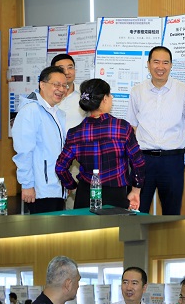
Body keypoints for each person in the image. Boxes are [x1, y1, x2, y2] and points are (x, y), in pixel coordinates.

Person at [126, 46, 185, 215]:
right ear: (148, 64)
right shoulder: (137, 91)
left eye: (165, 62)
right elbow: (132, 124)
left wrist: (180, 142)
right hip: (143, 161)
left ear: (171, 65)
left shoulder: (183, 90)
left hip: (172, 161)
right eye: (156, 62)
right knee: (137, 211)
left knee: (171, 213)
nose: (161, 67)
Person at [56, 78, 145, 210]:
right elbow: (138, 162)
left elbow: (60, 167)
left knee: (85, 224)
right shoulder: (122, 127)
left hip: (86, 194)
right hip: (116, 195)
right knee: (115, 224)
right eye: (109, 95)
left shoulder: (75, 133)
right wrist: (136, 190)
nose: (111, 97)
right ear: (104, 99)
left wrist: (72, 186)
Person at [12, 66, 67, 213]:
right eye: (56, 84)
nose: (61, 89)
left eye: (64, 85)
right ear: (42, 84)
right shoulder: (30, 111)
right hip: (40, 190)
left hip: (56, 188)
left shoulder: (57, 113)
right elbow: (24, 152)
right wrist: (27, 185)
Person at [51, 54, 88, 210]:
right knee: (53, 204)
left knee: (74, 204)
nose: (67, 72)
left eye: (70, 67)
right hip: (51, 156)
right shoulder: (47, 97)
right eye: (61, 68)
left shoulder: (84, 96)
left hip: (76, 159)